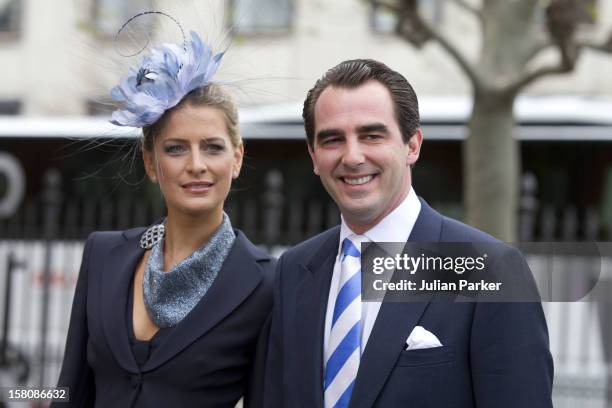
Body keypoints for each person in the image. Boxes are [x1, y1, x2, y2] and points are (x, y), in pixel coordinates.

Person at [264, 59, 553, 407]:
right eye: (332, 139)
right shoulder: (293, 270)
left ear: (412, 146)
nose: (352, 156)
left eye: (372, 135)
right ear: (313, 155)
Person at [54, 29, 274, 407]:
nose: (196, 165)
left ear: (236, 158)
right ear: (150, 162)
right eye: (175, 149)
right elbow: (68, 391)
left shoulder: (265, 284)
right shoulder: (102, 255)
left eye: (212, 148)